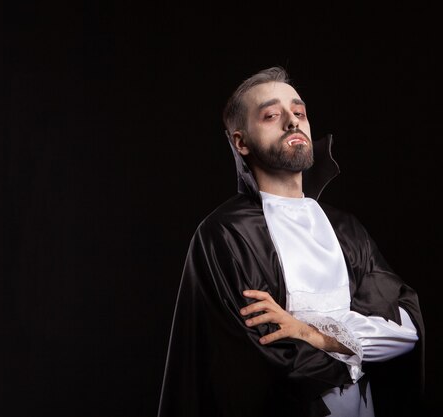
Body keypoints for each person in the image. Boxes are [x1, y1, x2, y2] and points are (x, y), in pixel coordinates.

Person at [157, 66, 425, 417]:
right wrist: (354, 346)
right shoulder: (226, 235)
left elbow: (405, 328)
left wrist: (310, 332)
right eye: (271, 115)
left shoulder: (346, 229)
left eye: (299, 113)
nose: (292, 122)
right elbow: (262, 361)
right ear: (240, 142)